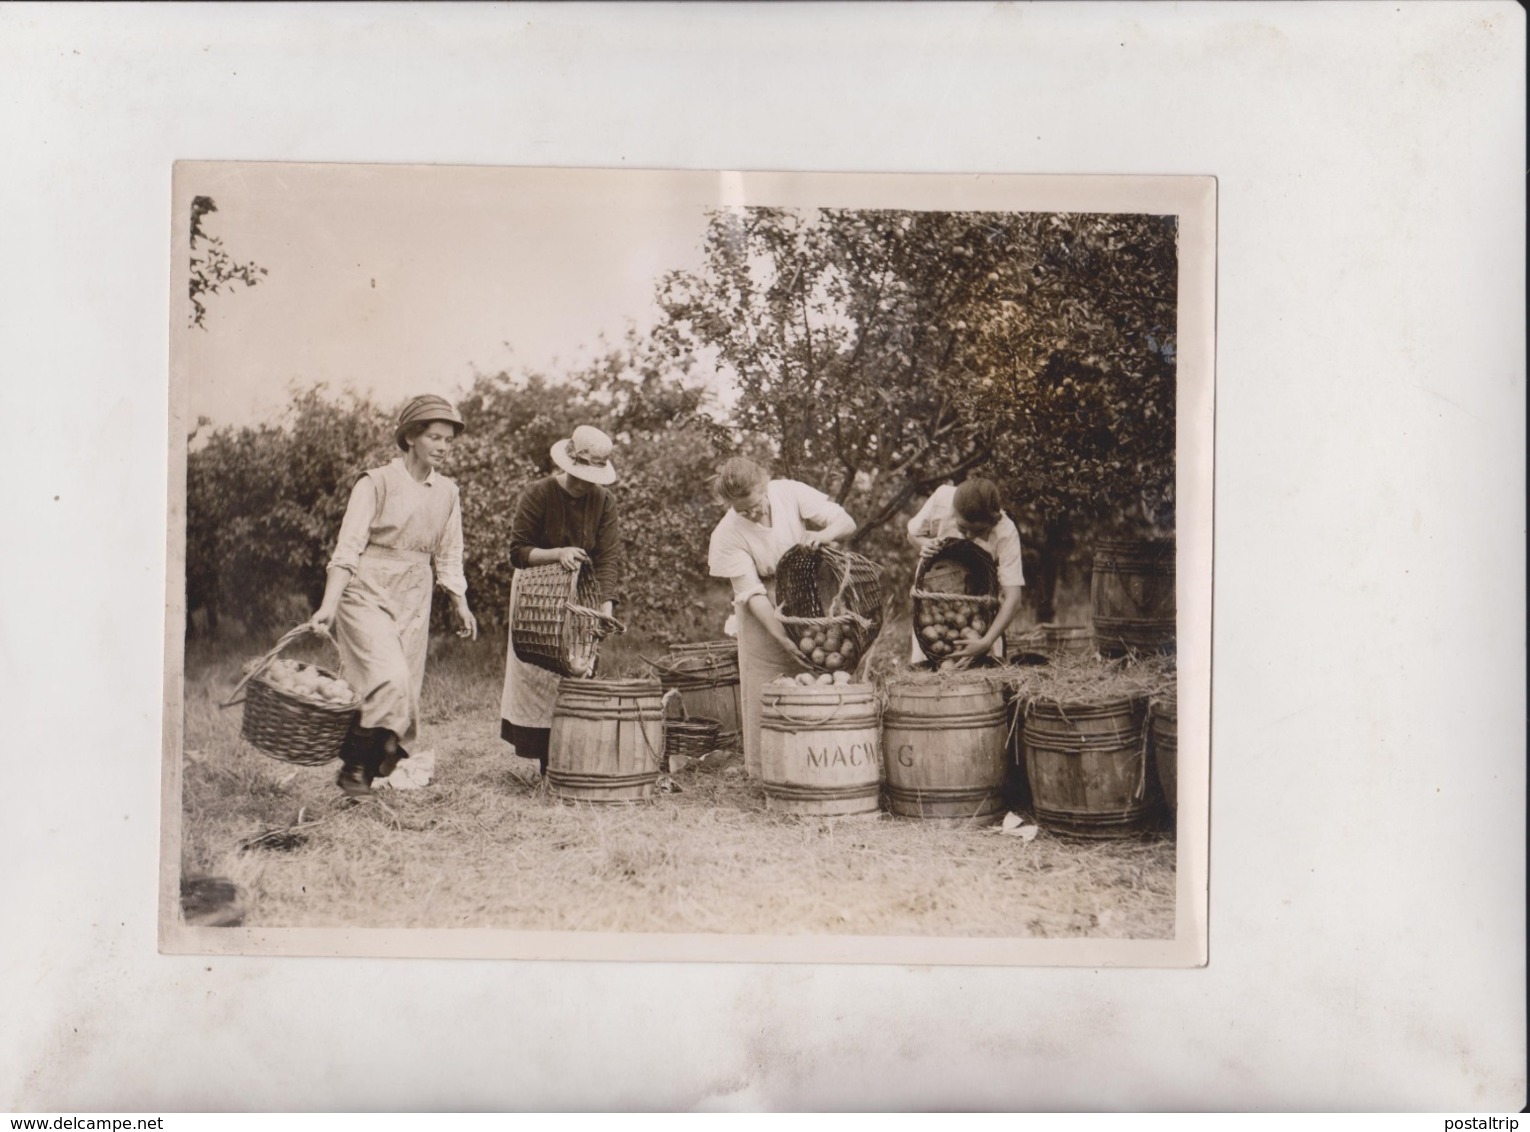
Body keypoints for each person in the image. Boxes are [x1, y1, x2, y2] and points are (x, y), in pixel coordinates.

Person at [309, 394, 479, 798]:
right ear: (410, 438)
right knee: (389, 677)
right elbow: (348, 547)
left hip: (414, 594)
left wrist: (460, 603)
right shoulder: (376, 482)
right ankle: (355, 765)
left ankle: (377, 760)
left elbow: (449, 552)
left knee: (405, 691)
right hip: (366, 588)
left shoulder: (448, 492)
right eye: (434, 437)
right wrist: (329, 606)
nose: (442, 446)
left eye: (448, 440)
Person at [706, 457, 857, 778]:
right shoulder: (727, 534)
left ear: (764, 486)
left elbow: (846, 522)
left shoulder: (788, 492)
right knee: (767, 689)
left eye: (755, 504)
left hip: (807, 598)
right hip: (764, 606)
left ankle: (821, 767)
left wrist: (824, 535)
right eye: (741, 510)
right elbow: (751, 593)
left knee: (819, 677)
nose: (752, 514)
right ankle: (767, 773)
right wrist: (782, 638)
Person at [499, 425, 623, 777]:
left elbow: (608, 559)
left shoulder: (603, 501)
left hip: (581, 595)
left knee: (579, 665)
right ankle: (545, 763)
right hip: (536, 595)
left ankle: (573, 756)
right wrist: (558, 553)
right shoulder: (538, 493)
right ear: (567, 464)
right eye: (580, 474)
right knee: (538, 673)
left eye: (592, 476)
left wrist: (605, 606)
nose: (584, 483)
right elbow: (517, 552)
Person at [906, 477, 1025, 666]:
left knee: (982, 671)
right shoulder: (942, 498)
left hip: (978, 608)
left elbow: (1014, 598)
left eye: (978, 530)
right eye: (962, 528)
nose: (968, 536)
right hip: (935, 603)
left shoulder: (1006, 532)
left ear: (992, 521)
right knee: (929, 666)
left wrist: (985, 642)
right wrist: (924, 544)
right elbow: (912, 533)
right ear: (953, 511)